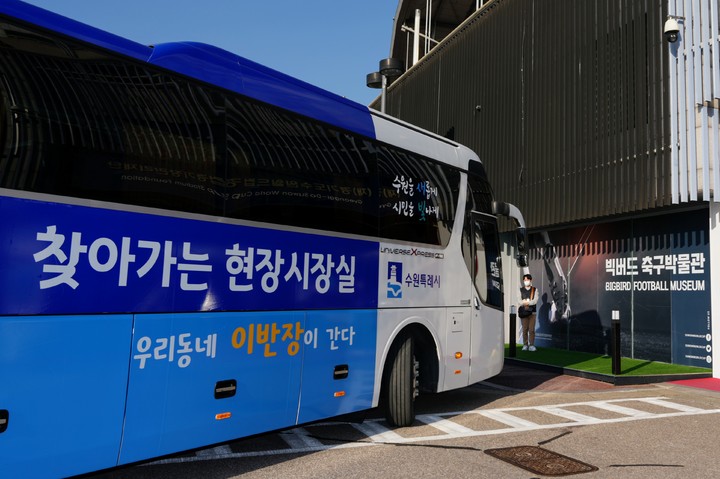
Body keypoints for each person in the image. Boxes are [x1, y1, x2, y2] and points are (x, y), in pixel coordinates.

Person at [517, 273, 538, 351]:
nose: (526, 281)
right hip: (524, 312)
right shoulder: (520, 290)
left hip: (532, 313)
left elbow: (535, 300)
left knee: (531, 330)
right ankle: (525, 344)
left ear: (530, 280)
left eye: (527, 280)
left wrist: (527, 302)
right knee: (524, 329)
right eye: (525, 280)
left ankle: (531, 345)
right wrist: (525, 302)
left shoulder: (535, 290)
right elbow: (519, 300)